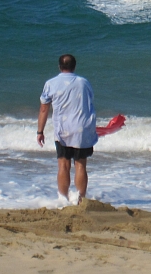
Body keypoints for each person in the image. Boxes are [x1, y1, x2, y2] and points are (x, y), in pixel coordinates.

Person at [37, 54, 98, 204]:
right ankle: (81, 199)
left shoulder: (51, 83)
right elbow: (90, 105)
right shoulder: (84, 82)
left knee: (63, 164)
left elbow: (44, 109)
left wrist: (40, 131)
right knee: (80, 164)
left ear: (59, 66)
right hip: (81, 129)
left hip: (63, 129)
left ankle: (63, 199)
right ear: (74, 66)